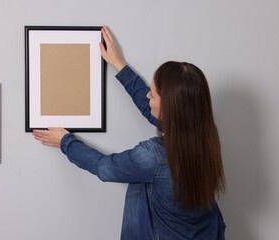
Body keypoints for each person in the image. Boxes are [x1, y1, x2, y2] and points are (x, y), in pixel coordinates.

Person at [33, 26, 226, 240]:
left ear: (171, 107)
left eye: (152, 94)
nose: (147, 97)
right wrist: (119, 64)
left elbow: (104, 168)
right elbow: (150, 109)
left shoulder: (152, 157)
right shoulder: (205, 134)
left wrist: (65, 141)